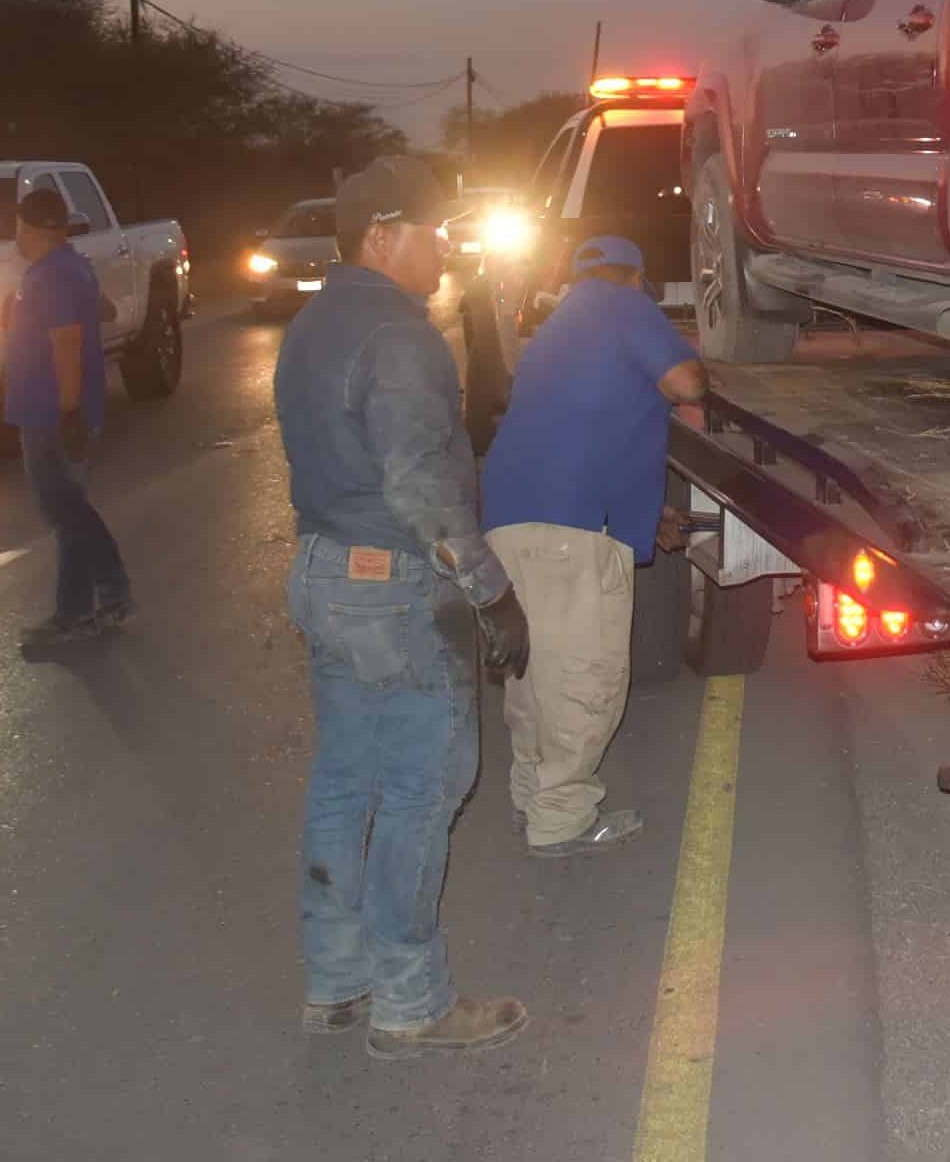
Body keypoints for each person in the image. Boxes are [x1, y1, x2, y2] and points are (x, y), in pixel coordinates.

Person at [273, 154, 534, 1060]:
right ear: (384, 236)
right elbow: (422, 486)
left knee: (348, 778)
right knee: (426, 784)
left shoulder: (312, 321)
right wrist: (492, 593)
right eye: (435, 232)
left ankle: (335, 980)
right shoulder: (399, 336)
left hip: (322, 569)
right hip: (388, 585)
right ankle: (412, 1002)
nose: (447, 246)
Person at [479, 234, 707, 856]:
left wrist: (646, 512)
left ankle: (533, 801)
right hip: (570, 529)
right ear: (634, 278)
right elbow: (687, 384)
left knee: (534, 675)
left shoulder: (557, 327)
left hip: (512, 518)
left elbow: (592, 427)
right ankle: (563, 820)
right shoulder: (622, 303)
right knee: (585, 674)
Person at [9, 184, 131, 656]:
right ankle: (109, 595)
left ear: (31, 228)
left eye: (18, 226)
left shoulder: (49, 276)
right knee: (72, 510)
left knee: (65, 512)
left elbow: (64, 342)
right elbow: (94, 314)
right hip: (55, 408)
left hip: (50, 412)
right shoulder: (69, 267)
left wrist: (68, 411)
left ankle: (78, 611)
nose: (15, 235)